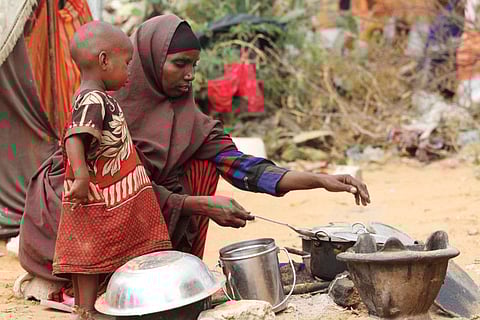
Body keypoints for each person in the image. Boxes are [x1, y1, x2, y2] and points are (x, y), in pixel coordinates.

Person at [18, 14, 370, 303]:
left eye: (194, 65)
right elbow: (114, 187)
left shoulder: (190, 121)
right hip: (84, 206)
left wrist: (320, 180)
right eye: (180, 64)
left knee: (202, 163)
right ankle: (75, 281)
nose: (190, 74)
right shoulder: (106, 106)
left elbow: (246, 169)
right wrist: (198, 205)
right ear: (150, 62)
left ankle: (149, 266)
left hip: (137, 208)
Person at [53, 21, 171, 319]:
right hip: (98, 192)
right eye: (127, 63)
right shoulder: (93, 99)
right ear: (104, 60)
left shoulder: (97, 98)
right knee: (89, 250)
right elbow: (75, 138)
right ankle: (88, 309)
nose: (130, 71)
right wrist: (80, 176)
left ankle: (85, 308)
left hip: (101, 190)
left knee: (87, 251)